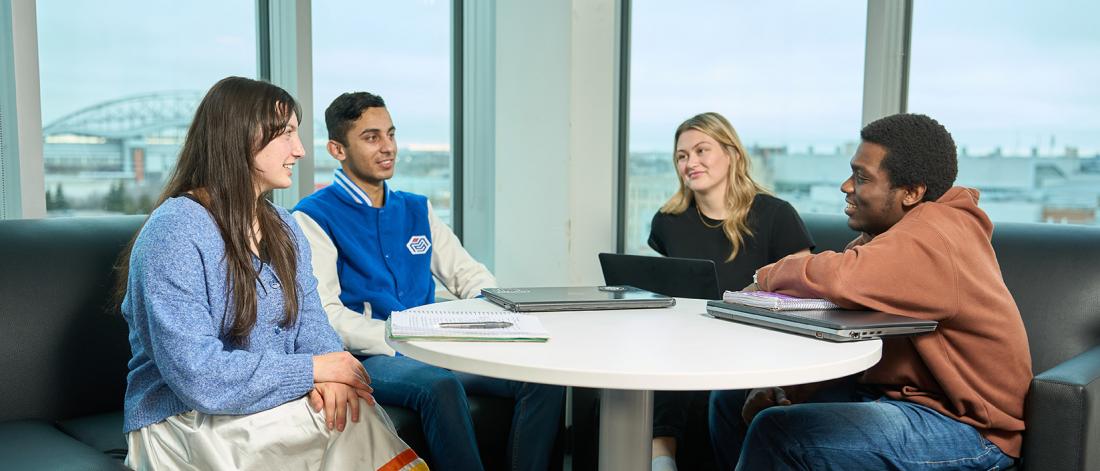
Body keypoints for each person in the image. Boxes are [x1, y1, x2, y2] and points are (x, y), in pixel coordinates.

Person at [117, 77, 425, 471]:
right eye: (286, 135)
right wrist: (316, 370)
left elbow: (312, 322)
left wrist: (331, 372)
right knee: (353, 422)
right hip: (185, 422)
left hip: (266, 406)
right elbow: (198, 376)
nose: (298, 150)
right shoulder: (174, 232)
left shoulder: (282, 225)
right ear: (239, 138)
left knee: (348, 409)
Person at [709, 113, 1031, 470]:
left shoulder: (938, 236)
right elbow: (851, 326)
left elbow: (840, 279)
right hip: (896, 397)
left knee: (778, 432)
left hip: (969, 429)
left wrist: (766, 276)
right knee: (729, 398)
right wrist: (785, 391)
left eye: (862, 177)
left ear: (912, 192)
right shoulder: (892, 237)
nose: (847, 186)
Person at [293, 91, 564, 471]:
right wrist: (404, 339)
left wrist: (501, 316)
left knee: (542, 380)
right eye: (372, 138)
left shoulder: (417, 207)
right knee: (440, 386)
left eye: (391, 134)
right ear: (337, 149)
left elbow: (468, 274)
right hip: (372, 356)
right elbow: (330, 316)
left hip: (435, 349)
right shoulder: (312, 217)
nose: (388, 147)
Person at [646, 112, 813, 471]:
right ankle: (662, 460)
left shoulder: (776, 215)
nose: (690, 163)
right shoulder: (667, 221)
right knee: (661, 358)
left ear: (732, 153)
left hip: (754, 341)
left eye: (701, 150)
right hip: (687, 338)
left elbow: (808, 293)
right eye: (681, 156)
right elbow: (664, 290)